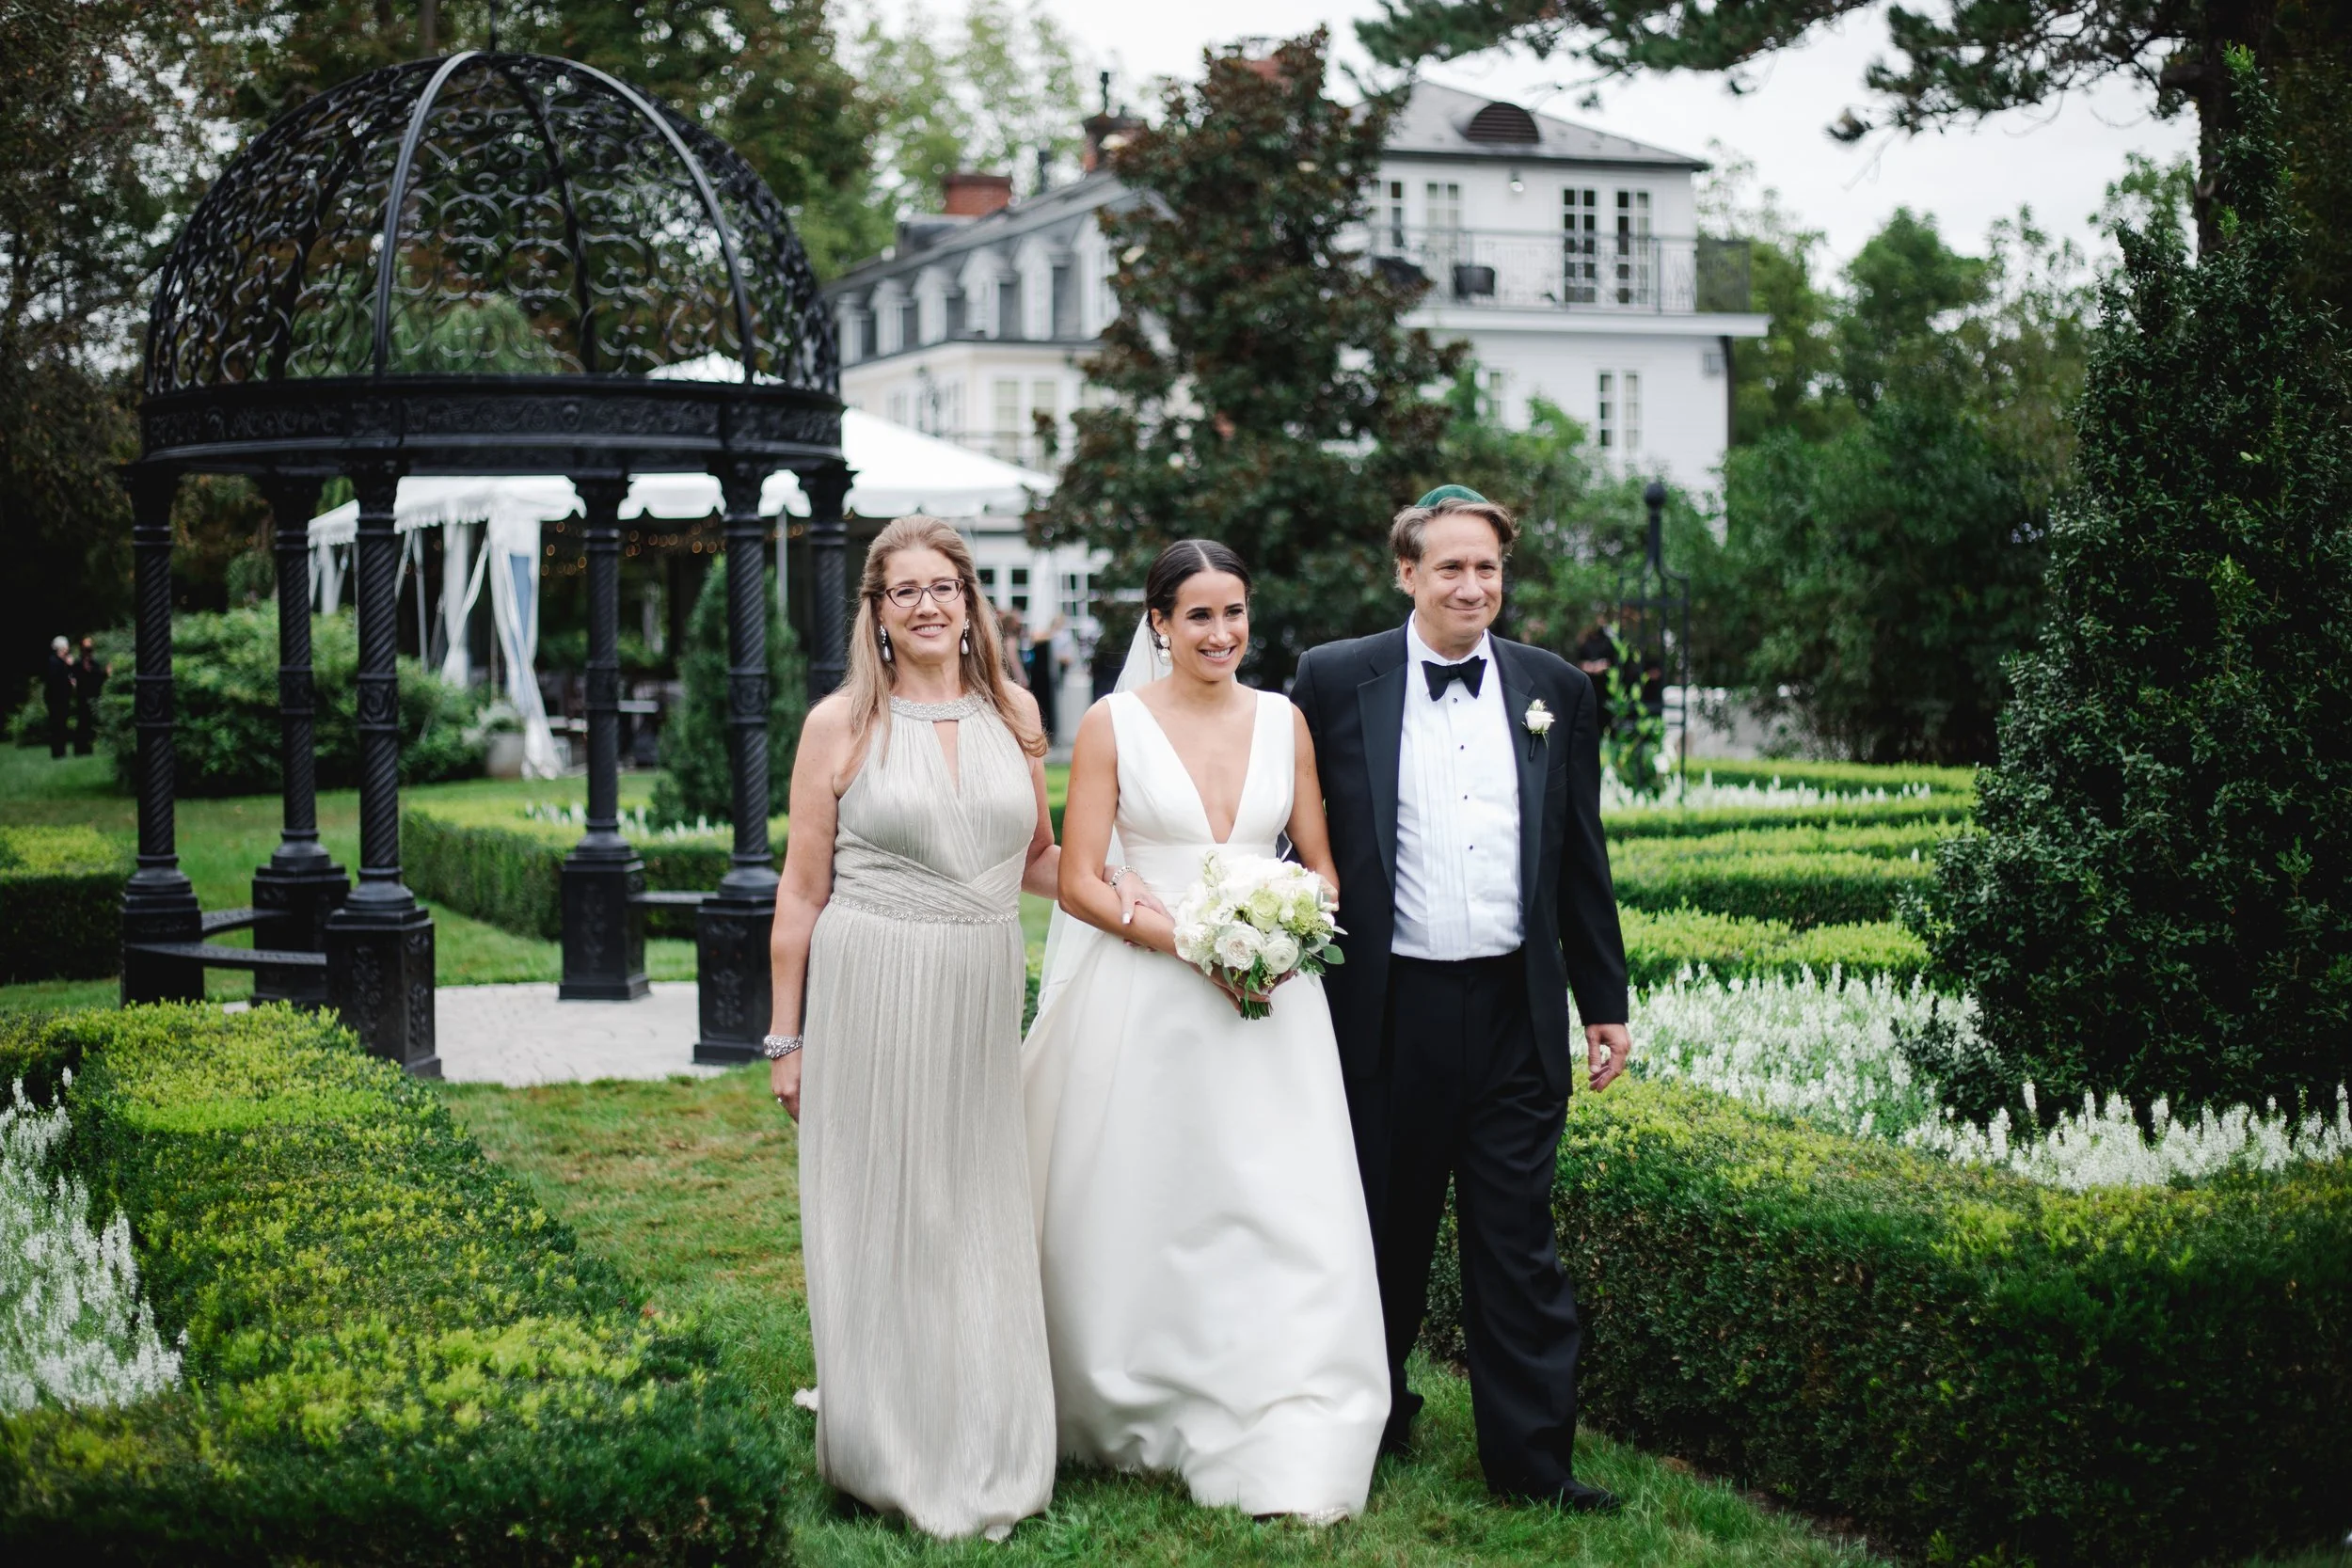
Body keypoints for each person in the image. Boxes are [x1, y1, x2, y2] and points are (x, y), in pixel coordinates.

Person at [1024, 539, 1388, 1522]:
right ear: (1159, 623)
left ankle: (1289, 1396)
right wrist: (1193, 942)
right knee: (1156, 1190)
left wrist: (1289, 928)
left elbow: (1319, 863)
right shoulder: (1112, 725)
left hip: (1275, 998)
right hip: (1151, 989)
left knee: (1280, 1196)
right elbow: (1081, 879)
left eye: (1234, 612)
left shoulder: (1283, 720)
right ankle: (1133, 1390)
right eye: (1199, 615)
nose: (1221, 633)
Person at [1288, 485, 1634, 1514]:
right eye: (1450, 567)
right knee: (1380, 1233)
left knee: (1516, 1244)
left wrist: (1602, 998)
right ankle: (1370, 1418)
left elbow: (1579, 852)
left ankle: (1533, 1464)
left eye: (1487, 567)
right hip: (1388, 1008)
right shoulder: (1333, 677)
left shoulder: (1553, 687)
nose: (1472, 586)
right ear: (1407, 573)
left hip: (1514, 1011)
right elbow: (1289, 826)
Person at [764, 516, 1071, 1540]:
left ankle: (982, 1419)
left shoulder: (1015, 710)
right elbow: (800, 890)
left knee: (974, 1202)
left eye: (946, 587)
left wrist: (1150, 893)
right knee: (884, 1204)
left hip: (980, 982)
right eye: (906, 591)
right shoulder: (840, 724)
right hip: (872, 980)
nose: (929, 605)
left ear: (971, 602)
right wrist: (786, 1036)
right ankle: (886, 1438)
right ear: (878, 612)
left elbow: (1038, 858)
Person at [72, 637, 107, 756]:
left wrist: (106, 673)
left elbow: (99, 679)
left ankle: (88, 748)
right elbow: (73, 677)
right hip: (82, 697)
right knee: (82, 722)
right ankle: (80, 749)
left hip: (93, 696)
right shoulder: (78, 664)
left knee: (91, 723)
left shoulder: (94, 664)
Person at [42, 637, 75, 760]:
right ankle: (58, 752)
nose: (68, 648)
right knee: (57, 725)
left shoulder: (60, 662)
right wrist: (68, 667)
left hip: (61, 698)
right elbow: (56, 681)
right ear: (61, 648)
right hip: (56, 700)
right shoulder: (54, 662)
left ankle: (61, 751)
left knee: (61, 725)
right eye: (66, 646)